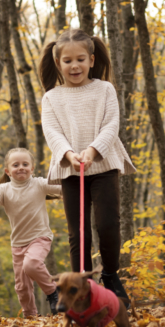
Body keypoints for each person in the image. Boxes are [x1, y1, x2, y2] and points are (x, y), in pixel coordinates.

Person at [39, 28, 136, 305]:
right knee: (78, 232)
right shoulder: (52, 97)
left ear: (91, 60)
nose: (75, 66)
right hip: (71, 170)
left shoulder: (104, 89)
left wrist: (93, 151)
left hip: (103, 166)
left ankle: (110, 275)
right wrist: (69, 154)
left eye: (80, 59)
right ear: (58, 63)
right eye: (68, 61)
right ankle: (83, 285)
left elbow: (111, 125)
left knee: (108, 224)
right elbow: (52, 131)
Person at [0, 147, 61, 317]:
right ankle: (30, 317)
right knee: (22, 287)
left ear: (32, 168)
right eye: (16, 165)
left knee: (32, 264)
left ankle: (53, 292)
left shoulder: (40, 184)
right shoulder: (4, 189)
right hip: (18, 244)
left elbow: (63, 188)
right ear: (8, 171)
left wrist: (77, 181)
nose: (21, 167)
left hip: (40, 237)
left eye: (25, 164)